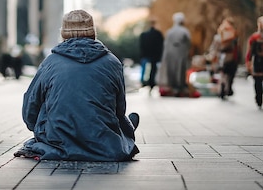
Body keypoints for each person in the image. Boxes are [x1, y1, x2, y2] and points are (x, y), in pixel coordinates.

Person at [15, 10, 139, 161]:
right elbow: (120, 109)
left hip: (58, 138)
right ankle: (125, 132)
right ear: (93, 32)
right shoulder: (112, 62)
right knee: (120, 124)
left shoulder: (51, 62)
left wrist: (39, 129)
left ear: (64, 33)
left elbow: (31, 106)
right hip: (102, 140)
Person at [156, 12, 191, 97]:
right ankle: (178, 88)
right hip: (181, 56)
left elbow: (166, 45)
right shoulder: (185, 31)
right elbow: (189, 44)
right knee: (180, 72)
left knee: (171, 71)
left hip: (170, 56)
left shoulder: (169, 32)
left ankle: (172, 88)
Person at [216, 17, 240, 99]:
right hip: (230, 57)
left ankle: (223, 87)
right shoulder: (234, 34)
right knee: (228, 74)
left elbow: (216, 45)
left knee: (224, 73)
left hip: (223, 56)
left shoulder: (221, 33)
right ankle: (226, 88)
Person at [138, 20, 164, 90]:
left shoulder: (144, 35)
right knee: (153, 70)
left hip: (146, 55)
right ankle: (151, 83)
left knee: (144, 69)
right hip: (154, 56)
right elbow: (160, 46)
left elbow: (141, 46)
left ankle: (143, 82)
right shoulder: (158, 34)